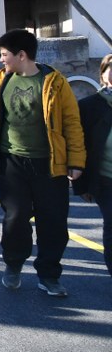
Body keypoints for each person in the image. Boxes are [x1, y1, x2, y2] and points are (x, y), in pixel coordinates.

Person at [0, 29, 85, 297]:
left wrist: (76, 161)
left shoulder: (55, 82)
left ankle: (49, 275)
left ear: (22, 55)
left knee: (53, 222)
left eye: (5, 55)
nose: (2, 60)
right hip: (11, 161)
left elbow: (72, 123)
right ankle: (13, 265)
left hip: (50, 164)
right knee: (15, 219)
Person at [76, 54, 112, 279]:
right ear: (103, 74)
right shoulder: (90, 106)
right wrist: (82, 182)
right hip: (107, 179)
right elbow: (79, 144)